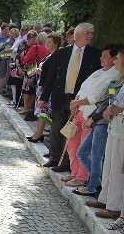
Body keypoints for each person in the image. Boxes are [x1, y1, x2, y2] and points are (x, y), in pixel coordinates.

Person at [39, 23, 102, 172]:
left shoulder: (94, 54)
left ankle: (67, 162)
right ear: (78, 34)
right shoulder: (62, 53)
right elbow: (52, 76)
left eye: (92, 33)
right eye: (88, 33)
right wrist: (44, 97)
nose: (90, 36)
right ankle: (55, 157)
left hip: (79, 100)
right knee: (56, 128)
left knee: (72, 132)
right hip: (60, 96)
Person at [61, 44, 121, 188]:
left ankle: (84, 177)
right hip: (80, 110)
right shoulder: (98, 72)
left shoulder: (114, 75)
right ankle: (75, 172)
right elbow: (83, 87)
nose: (101, 58)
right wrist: (75, 103)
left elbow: (99, 97)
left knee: (87, 150)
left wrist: (76, 102)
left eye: (105, 56)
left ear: (114, 59)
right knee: (72, 144)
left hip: (93, 115)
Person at [76, 47, 124, 198]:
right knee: (83, 152)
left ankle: (93, 186)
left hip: (104, 123)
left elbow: (105, 102)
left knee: (97, 157)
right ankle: (98, 182)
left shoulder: (116, 79)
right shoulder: (115, 79)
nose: (115, 60)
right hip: (100, 120)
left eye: (117, 58)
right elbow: (106, 102)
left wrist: (93, 118)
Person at [28, 32, 62, 143]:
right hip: (41, 85)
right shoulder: (49, 55)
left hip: (47, 88)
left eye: (50, 42)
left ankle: (39, 133)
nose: (47, 43)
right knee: (40, 111)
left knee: (43, 111)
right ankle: (38, 132)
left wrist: (41, 73)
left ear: (56, 43)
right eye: (47, 41)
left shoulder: (57, 56)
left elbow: (53, 74)